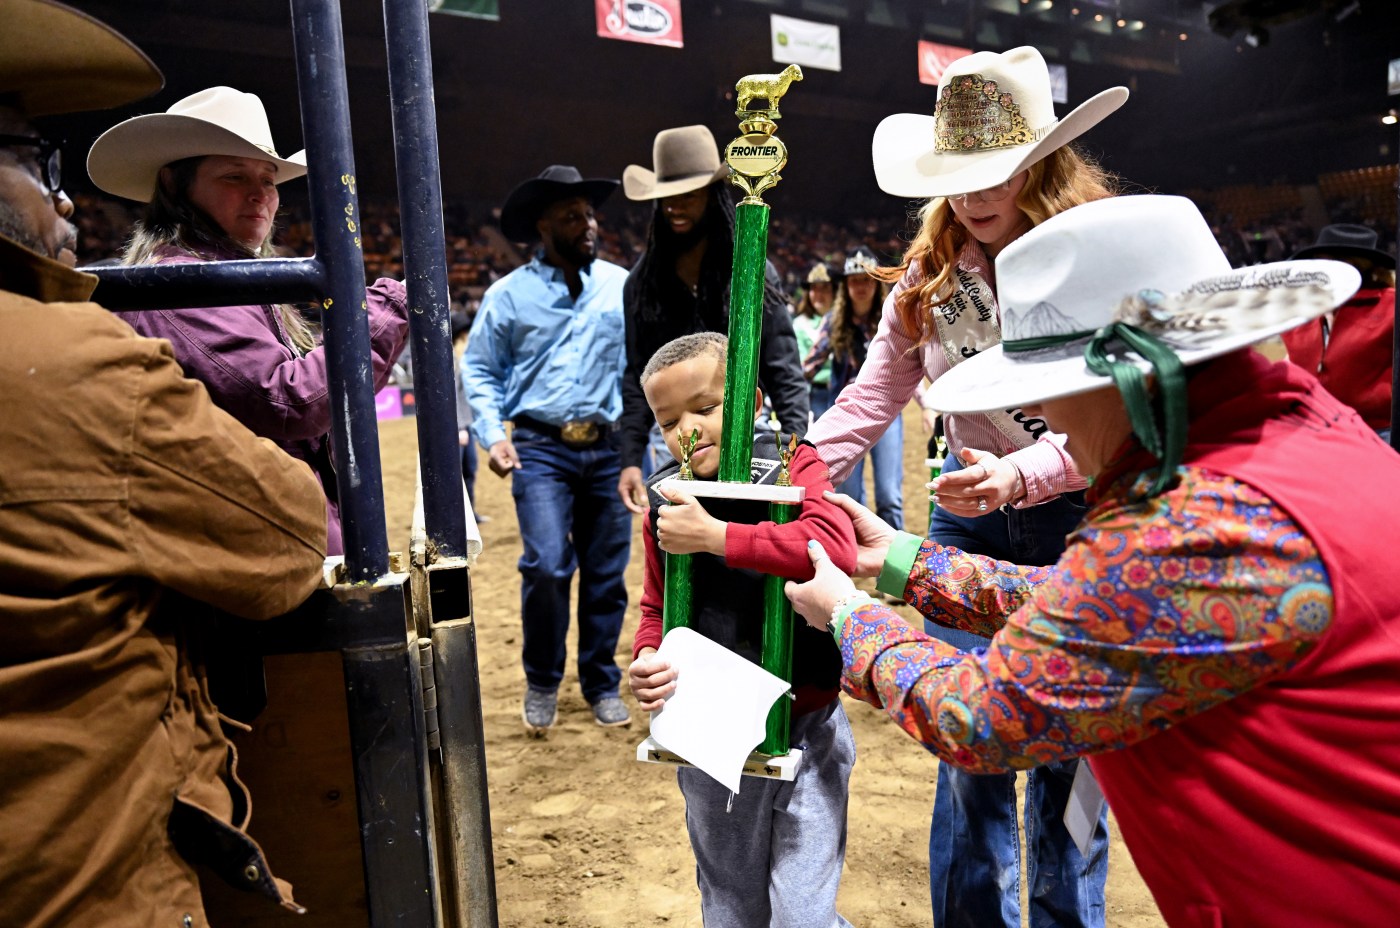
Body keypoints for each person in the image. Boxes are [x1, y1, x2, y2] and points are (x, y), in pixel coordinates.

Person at [786, 193, 1400, 928]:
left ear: (1122, 379)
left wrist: (848, 614)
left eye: (1048, 390)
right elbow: (1109, 605)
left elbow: (980, 716)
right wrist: (901, 558)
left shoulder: (1190, 525)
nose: (1048, 421)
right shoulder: (1298, 437)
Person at [0, 3, 328, 923]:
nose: (59, 198)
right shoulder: (81, 355)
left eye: (271, 182)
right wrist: (379, 318)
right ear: (181, 187)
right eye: (32, 161)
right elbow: (288, 500)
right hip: (76, 865)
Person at [804, 46, 1127, 927]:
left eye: (997, 172)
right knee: (971, 747)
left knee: (1072, 754)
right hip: (968, 527)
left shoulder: (1096, 258)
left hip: (1079, 518)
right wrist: (793, 472)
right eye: (958, 175)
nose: (974, 194)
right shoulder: (930, 280)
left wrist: (1020, 472)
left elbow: (1122, 414)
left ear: (1043, 163)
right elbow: (872, 394)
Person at [85, 86, 411, 555]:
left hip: (263, 525)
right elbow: (288, 400)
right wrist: (387, 309)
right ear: (175, 186)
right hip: (256, 539)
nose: (260, 195)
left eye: (269, 179)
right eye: (235, 177)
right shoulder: (184, 282)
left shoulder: (219, 275)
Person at [627, 332, 857, 928]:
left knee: (804, 915)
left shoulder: (793, 463)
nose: (689, 430)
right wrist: (648, 655)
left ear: (751, 401)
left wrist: (717, 537)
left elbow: (832, 547)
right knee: (731, 906)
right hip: (710, 729)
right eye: (669, 419)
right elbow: (656, 604)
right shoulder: (666, 497)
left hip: (807, 720)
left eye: (706, 409)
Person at [464, 164, 632, 733]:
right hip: (540, 447)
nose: (586, 225)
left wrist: (641, 443)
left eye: (588, 214)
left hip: (610, 449)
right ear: (543, 225)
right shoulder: (507, 297)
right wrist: (492, 433)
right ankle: (542, 679)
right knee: (546, 564)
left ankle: (601, 682)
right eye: (571, 216)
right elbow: (481, 370)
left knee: (608, 573)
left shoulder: (620, 285)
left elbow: (639, 369)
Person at [616, 124, 809, 512]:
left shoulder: (751, 272)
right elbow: (637, 374)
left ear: (713, 194)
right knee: (679, 539)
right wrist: (629, 458)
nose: (675, 207)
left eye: (689, 195)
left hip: (745, 429)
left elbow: (781, 365)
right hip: (672, 439)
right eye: (667, 198)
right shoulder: (641, 283)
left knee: (748, 533)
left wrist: (797, 445)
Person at [802, 247, 903, 530]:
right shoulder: (834, 321)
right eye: (854, 280)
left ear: (876, 284)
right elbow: (808, 366)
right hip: (849, 412)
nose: (861, 286)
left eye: (867, 279)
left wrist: (926, 406)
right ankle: (852, 558)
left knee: (889, 495)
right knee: (849, 494)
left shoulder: (890, 316)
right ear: (846, 285)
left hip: (887, 410)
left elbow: (908, 362)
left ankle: (896, 563)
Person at [1281, 222, 1395, 442]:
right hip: (1315, 428)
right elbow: (1291, 363)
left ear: (1355, 266)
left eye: (1326, 263)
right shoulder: (1302, 310)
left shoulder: (1391, 305)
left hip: (1378, 431)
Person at [452, 310, 485, 521]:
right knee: (459, 474)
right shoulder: (452, 358)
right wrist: (460, 427)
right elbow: (452, 395)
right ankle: (459, 518)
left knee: (469, 470)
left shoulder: (459, 356)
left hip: (467, 424)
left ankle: (470, 515)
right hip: (459, 427)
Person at [792, 260, 836, 421]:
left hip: (844, 391)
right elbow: (797, 367)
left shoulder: (843, 322)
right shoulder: (799, 325)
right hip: (815, 394)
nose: (819, 294)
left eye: (825, 288)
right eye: (814, 288)